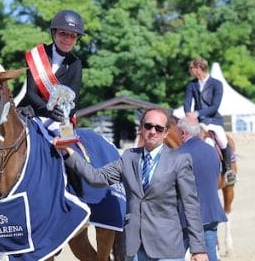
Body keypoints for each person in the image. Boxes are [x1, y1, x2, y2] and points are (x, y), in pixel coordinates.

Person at [55, 108, 208, 261]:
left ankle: (228, 164)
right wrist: (70, 152)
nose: (152, 132)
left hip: (167, 248)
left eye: (159, 128)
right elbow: (97, 177)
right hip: (134, 249)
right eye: (148, 126)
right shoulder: (128, 157)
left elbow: (191, 207)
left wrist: (198, 248)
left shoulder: (180, 160)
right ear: (141, 128)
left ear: (166, 132)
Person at [17, 9, 84, 125]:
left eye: (72, 36)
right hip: (32, 112)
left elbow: (73, 101)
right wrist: (48, 111)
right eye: (63, 33)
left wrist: (62, 116)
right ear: (54, 33)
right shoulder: (37, 56)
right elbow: (30, 93)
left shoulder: (76, 64)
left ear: (76, 39)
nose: (67, 39)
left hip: (58, 119)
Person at [177, 116, 228, 261]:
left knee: (174, 256)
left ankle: (231, 168)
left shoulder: (178, 154)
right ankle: (228, 168)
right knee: (211, 254)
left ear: (183, 133)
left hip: (186, 217)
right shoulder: (212, 151)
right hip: (211, 213)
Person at [183, 57, 235, 184]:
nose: (189, 70)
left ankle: (228, 170)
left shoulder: (217, 84)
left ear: (198, 68)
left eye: (191, 68)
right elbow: (187, 102)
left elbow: (214, 106)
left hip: (213, 120)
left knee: (222, 139)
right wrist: (188, 114)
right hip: (197, 121)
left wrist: (197, 113)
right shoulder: (192, 85)